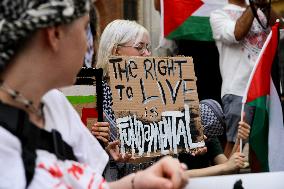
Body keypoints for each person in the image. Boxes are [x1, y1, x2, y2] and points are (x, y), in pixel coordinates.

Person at [0, 1, 188, 188]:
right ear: (55, 34)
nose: (91, 44)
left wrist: (137, 182)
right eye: (85, 30)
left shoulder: (55, 104)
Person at [209, 0, 281, 157]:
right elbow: (237, 33)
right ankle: (226, 181)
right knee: (236, 146)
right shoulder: (218, 15)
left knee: (261, 148)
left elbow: (280, 28)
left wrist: (266, 5)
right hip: (239, 91)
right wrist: (253, 6)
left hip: (265, 91)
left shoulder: (262, 12)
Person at [179, 99, 250, 178]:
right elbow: (177, 175)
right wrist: (225, 167)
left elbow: (229, 170)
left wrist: (239, 139)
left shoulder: (210, 136)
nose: (205, 138)